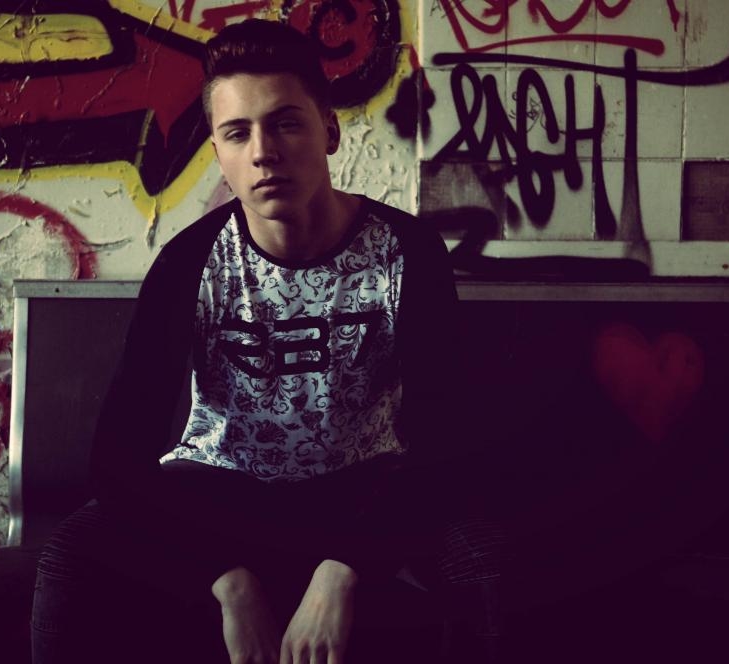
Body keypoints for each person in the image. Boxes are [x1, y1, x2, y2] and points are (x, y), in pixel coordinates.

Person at [30, 17, 481, 664]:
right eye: (237, 133)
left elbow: (449, 440)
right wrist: (225, 581)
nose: (263, 152)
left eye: (286, 123)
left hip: (361, 492)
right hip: (218, 494)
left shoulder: (406, 252)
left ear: (329, 131)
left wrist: (344, 569)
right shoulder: (190, 263)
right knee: (68, 559)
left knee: (484, 562)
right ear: (218, 151)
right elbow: (118, 460)